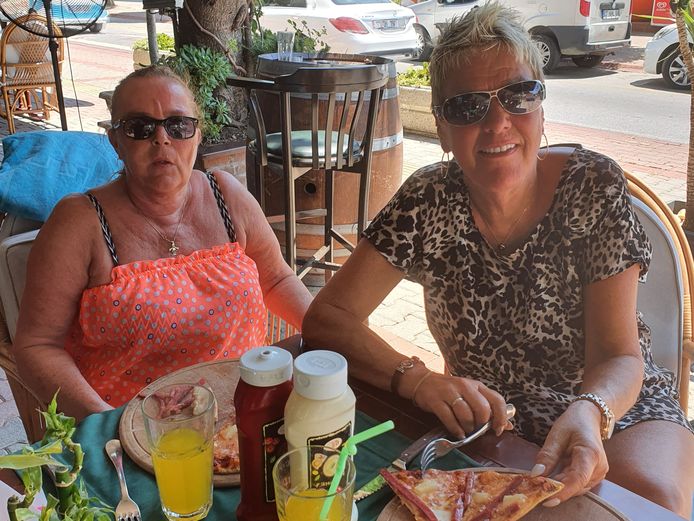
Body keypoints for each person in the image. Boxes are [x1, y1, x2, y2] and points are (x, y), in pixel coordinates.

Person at [302, 2, 694, 517]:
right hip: (491, 422)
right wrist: (418, 379)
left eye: (519, 94)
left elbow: (620, 356)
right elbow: (326, 318)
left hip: (611, 406)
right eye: (467, 106)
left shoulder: (592, 186)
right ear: (441, 128)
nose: (497, 122)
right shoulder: (427, 200)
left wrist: (591, 411)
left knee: (648, 502)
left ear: (541, 108)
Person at [12, 65, 312, 421]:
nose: (162, 139)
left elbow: (277, 278)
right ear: (116, 141)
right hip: (132, 431)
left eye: (178, 125)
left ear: (197, 135)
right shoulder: (79, 222)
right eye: (140, 128)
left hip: (244, 413)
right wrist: (109, 426)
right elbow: (37, 346)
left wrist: (325, 332)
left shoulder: (226, 196)